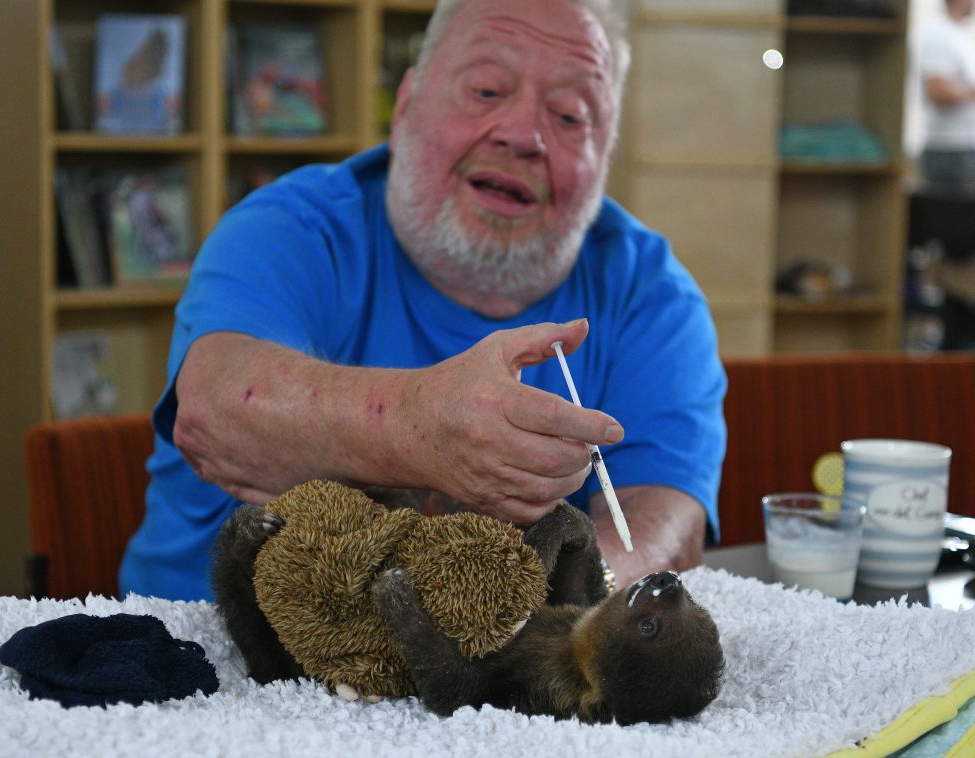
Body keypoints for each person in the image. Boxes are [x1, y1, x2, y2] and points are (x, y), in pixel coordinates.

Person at [119, 0, 727, 601]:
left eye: (570, 117)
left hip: (506, 675)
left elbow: (661, 530)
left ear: (605, 162)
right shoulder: (291, 229)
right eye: (486, 91)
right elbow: (216, 411)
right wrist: (426, 430)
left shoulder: (651, 293)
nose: (523, 135)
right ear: (406, 104)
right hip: (209, 661)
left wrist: (505, 623)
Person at [917, 0, 975, 187]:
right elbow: (937, 92)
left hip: (962, 147)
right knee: (950, 214)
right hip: (949, 149)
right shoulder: (940, 37)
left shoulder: (958, 36)